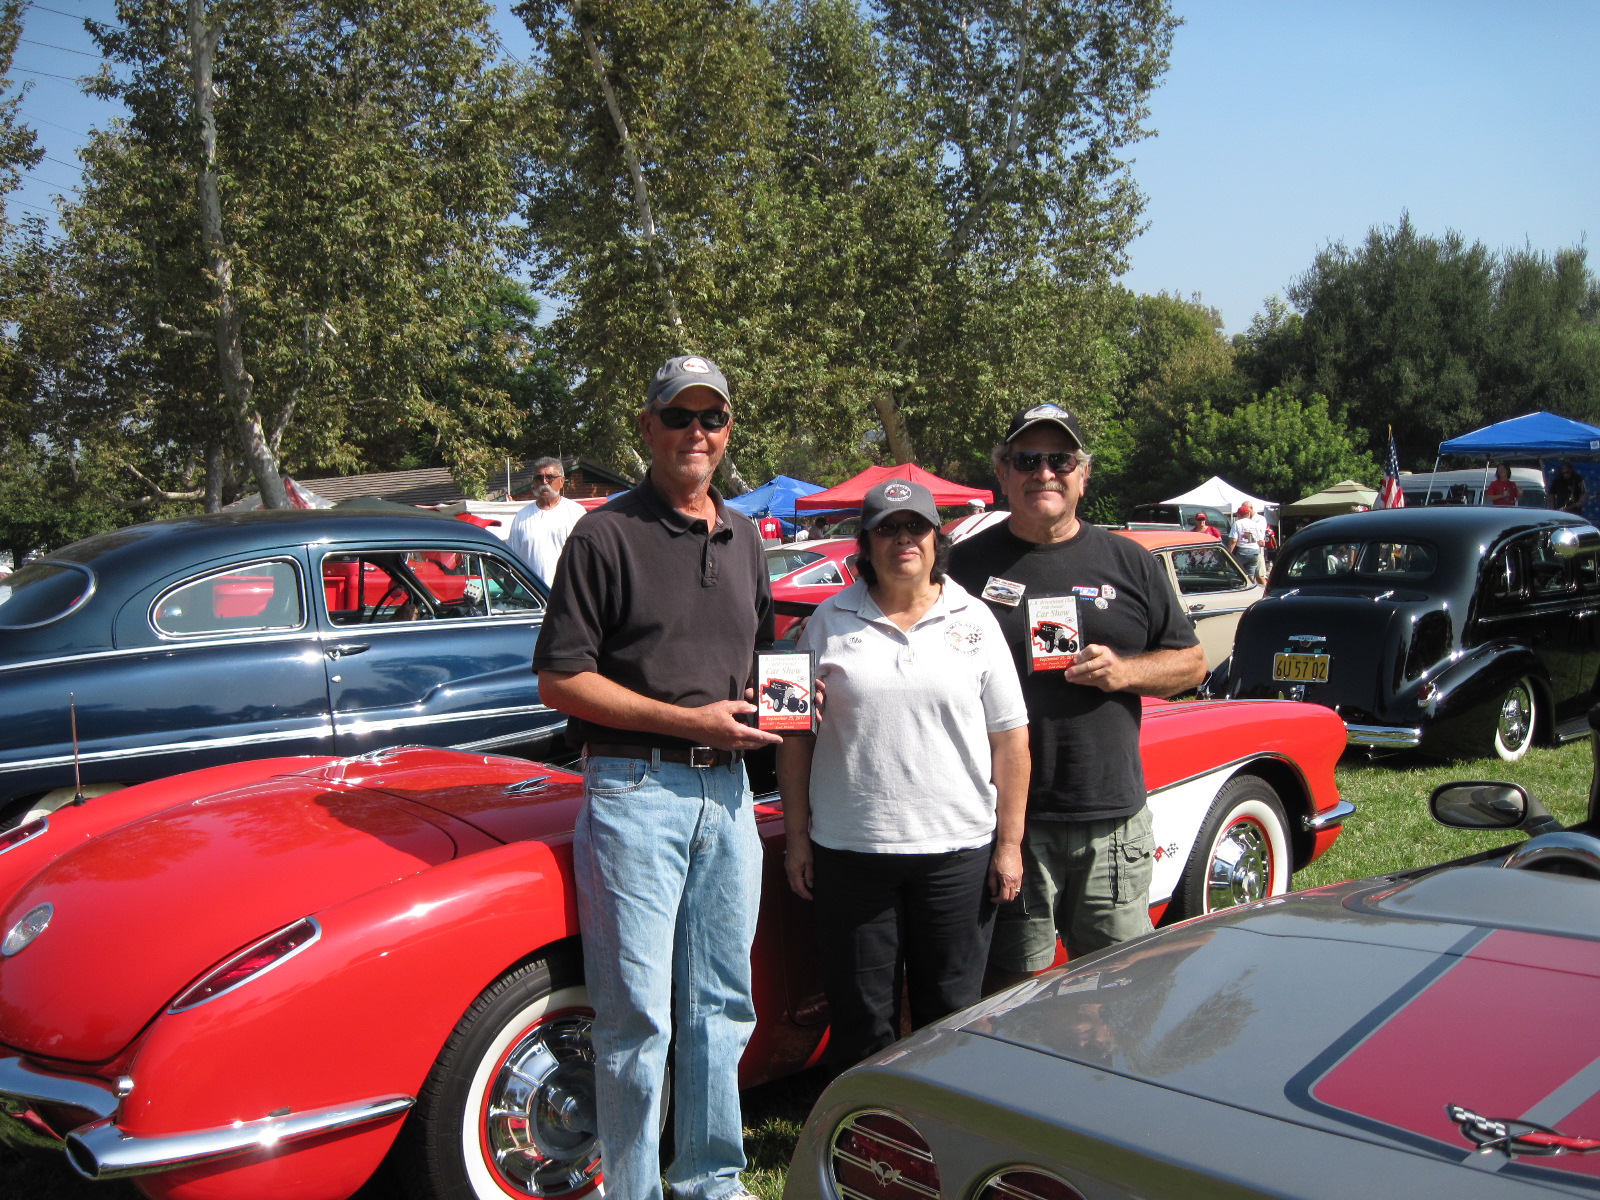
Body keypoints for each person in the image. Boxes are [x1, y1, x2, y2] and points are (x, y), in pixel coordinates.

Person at [533, 354, 782, 1200]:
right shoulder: (604, 534)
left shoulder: (745, 536)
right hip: (634, 793)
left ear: (728, 432)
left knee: (722, 1007)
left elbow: (758, 665)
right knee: (636, 1019)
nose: (696, 434)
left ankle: (709, 1182)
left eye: (711, 418)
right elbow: (561, 679)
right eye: (679, 417)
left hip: (731, 796)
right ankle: (633, 1190)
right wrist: (688, 721)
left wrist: (780, 706)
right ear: (647, 429)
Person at [948, 403, 1206, 988]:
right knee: (1014, 991)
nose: (1044, 472)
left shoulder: (1131, 561)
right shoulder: (962, 568)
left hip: (1110, 817)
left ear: (1083, 474)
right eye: (1028, 460)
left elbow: (1191, 662)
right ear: (1004, 472)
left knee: (1118, 988)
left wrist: (1124, 672)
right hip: (1008, 822)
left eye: (1060, 459)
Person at [777, 479, 1030, 1069]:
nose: (902, 540)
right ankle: (868, 1145)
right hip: (851, 853)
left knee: (953, 1016)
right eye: (887, 529)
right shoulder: (827, 620)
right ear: (865, 543)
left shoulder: (976, 619)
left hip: (957, 854)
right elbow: (794, 736)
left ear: (936, 538)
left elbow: (1011, 738)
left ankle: (947, 1137)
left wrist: (1010, 843)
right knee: (864, 1022)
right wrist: (795, 838)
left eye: (915, 527)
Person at [507, 456, 587, 586]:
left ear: (561, 481)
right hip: (534, 597)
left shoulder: (576, 513)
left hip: (567, 594)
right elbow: (512, 561)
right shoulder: (521, 517)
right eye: (539, 478)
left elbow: (586, 558)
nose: (544, 482)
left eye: (550, 477)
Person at [1227, 501, 1270, 583]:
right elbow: (1261, 542)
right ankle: (1249, 590)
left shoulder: (1237, 523)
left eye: (1238, 515)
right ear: (1248, 514)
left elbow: (1233, 540)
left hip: (1242, 551)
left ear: (1240, 515)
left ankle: (1236, 589)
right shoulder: (1255, 524)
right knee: (1250, 576)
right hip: (1254, 552)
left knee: (1234, 572)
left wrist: (1229, 554)